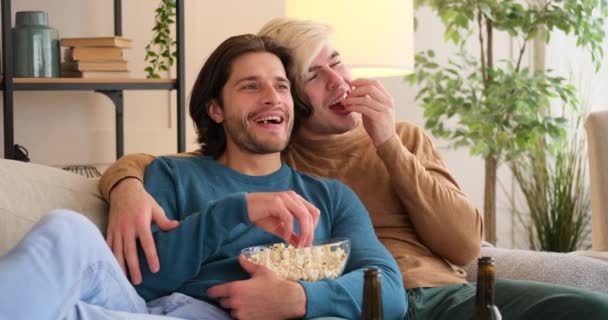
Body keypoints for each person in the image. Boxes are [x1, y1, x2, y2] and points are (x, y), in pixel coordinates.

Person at [101, 18, 608, 320]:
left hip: (441, 294)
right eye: (314, 76)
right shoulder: (281, 156)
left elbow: (466, 246)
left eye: (337, 63)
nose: (339, 83)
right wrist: (125, 182)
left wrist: (387, 142)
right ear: (298, 102)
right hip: (363, 301)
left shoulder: (400, 138)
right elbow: (204, 167)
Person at [0, 34, 407, 320]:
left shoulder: (331, 197)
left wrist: (299, 298)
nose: (271, 96)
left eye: (281, 86)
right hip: (142, 308)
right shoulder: (172, 174)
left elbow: (389, 292)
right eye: (251, 86)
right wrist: (234, 211)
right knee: (66, 230)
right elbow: (145, 280)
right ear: (215, 109)